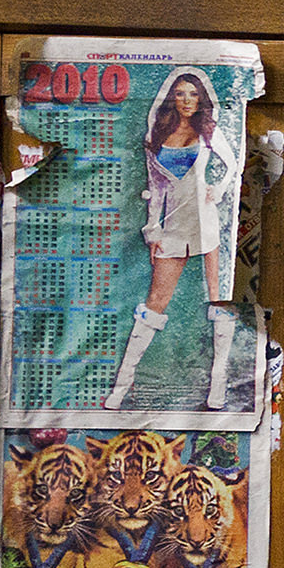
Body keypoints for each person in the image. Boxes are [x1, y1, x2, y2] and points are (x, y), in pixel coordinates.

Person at [105, 69, 242, 412]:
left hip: (206, 223)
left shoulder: (209, 132)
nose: (186, 100)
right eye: (180, 94)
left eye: (193, 94)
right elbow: (156, 189)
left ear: (201, 99)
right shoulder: (157, 135)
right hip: (173, 227)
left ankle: (218, 387)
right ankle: (121, 388)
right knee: (155, 302)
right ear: (172, 98)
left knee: (220, 300)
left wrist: (219, 188)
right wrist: (152, 230)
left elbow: (232, 165)